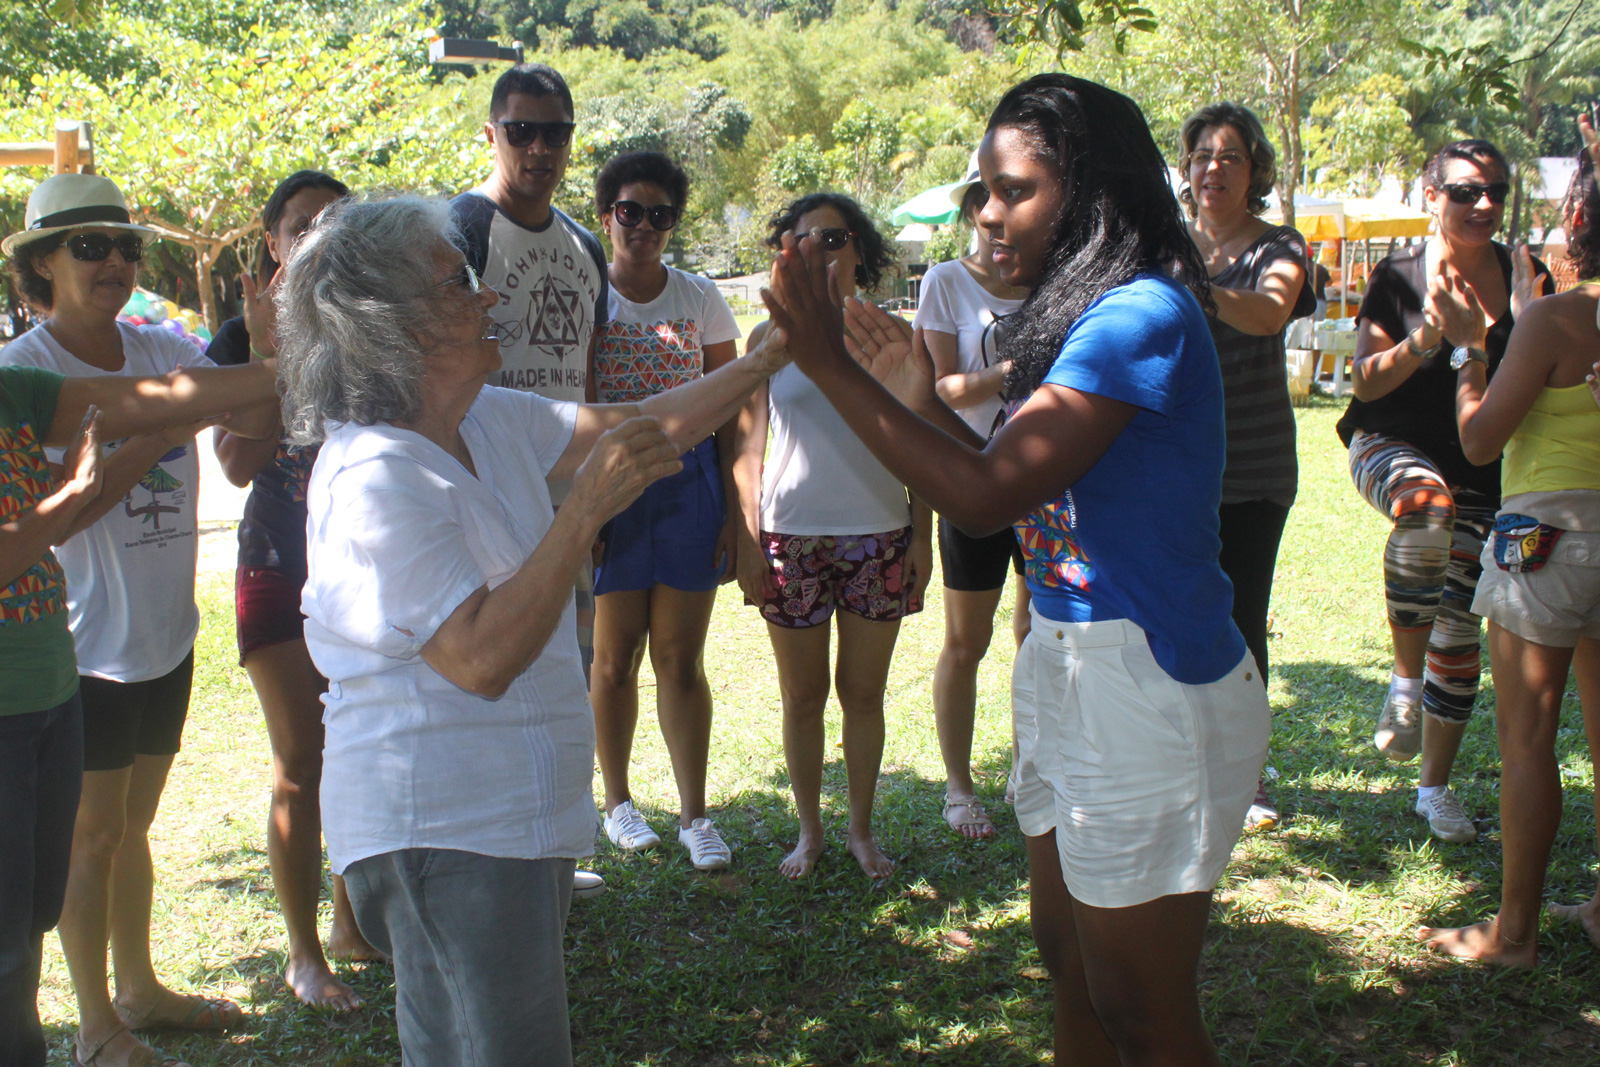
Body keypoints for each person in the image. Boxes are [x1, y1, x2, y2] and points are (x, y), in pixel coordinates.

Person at [763, 73, 1270, 1064]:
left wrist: (826, 361)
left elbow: (987, 493)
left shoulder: (1138, 317)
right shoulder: (1077, 314)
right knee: (1069, 966)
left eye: (1015, 189)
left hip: (1147, 680)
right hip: (1068, 665)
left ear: (1089, 191)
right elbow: (996, 476)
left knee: (1139, 1001)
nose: (989, 213)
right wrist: (909, 391)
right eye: (982, 190)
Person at [276, 193, 789, 1067]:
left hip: (507, 823)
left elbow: (643, 425)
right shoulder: (371, 473)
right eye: (457, 284)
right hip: (444, 829)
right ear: (388, 323)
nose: (488, 299)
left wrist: (765, 359)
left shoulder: (481, 417)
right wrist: (581, 514)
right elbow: (479, 657)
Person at [0, 172, 279, 1067]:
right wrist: (157, 436)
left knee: (131, 828)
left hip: (166, 637)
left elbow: (257, 410)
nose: (116, 260)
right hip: (83, 647)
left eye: (126, 245)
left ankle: (140, 987)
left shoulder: (162, 344)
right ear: (42, 263)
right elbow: (57, 516)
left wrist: (270, 340)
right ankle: (95, 1026)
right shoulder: (27, 373)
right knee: (92, 832)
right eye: (89, 246)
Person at [1421, 117, 1600, 966]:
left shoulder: (1557, 320)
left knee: (1528, 742)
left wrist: (1468, 353)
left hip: (1548, 543)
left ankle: (1513, 933)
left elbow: (1481, 442)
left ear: (1579, 228)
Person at [1338, 138, 1553, 843]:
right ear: (1431, 196)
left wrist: (1513, 327)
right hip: (1389, 445)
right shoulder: (1399, 274)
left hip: (1490, 468)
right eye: (1465, 190)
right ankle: (1402, 687)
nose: (1484, 203)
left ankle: (1433, 789)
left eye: (1496, 189)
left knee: (1461, 623)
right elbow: (1364, 381)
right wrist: (1431, 336)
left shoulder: (1528, 275)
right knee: (1426, 509)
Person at [206, 170, 383, 1010]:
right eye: (301, 225)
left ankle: (351, 922)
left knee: (356, 744)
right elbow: (239, 464)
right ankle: (304, 952)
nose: (318, 236)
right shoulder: (239, 335)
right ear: (271, 241)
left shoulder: (373, 328)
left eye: (335, 223)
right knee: (300, 758)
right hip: (277, 555)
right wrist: (269, 350)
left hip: (362, 558)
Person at [732, 193, 932, 880]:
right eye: (804, 238)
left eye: (836, 236)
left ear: (860, 250)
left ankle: (861, 831)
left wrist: (922, 537)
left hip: (880, 534)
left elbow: (921, 443)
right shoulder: (767, 341)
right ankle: (810, 831)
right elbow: (748, 447)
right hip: (792, 539)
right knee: (802, 696)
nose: (821, 249)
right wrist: (747, 538)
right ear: (786, 252)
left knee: (864, 694)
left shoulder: (888, 334)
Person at [450, 62, 609, 896]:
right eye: (521, 130)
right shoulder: (461, 230)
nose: (539, 148)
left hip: (563, 498)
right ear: (491, 133)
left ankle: (551, 853)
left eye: (555, 131)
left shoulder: (585, 247)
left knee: (562, 672)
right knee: (485, 671)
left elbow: (586, 373)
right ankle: (489, 851)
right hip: (480, 493)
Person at [588, 152, 741, 869]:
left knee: (681, 658)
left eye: (659, 215)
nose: (643, 226)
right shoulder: (588, 298)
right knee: (615, 657)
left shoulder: (700, 297)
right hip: (612, 487)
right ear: (605, 215)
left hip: (690, 485)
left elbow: (733, 404)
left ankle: (694, 815)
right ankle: (618, 803)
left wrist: (737, 509)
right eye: (629, 211)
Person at [1178, 102, 1314, 831]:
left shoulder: (1280, 245)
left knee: (1240, 621)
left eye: (1230, 156)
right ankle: (1185, 763)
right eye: (1201, 155)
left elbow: (1266, 314)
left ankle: (1248, 779)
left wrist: (1186, 287)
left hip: (1253, 468)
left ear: (1255, 169)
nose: (1213, 168)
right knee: (1173, 615)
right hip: (1173, 465)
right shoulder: (1166, 242)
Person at [913, 160, 1030, 840]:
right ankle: (960, 787)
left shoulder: (1047, 280)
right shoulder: (945, 282)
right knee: (968, 639)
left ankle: (1028, 763)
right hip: (972, 474)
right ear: (970, 216)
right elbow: (941, 389)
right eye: (984, 211)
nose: (997, 223)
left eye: (1009, 206)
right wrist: (1013, 369)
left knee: (1038, 634)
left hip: (1045, 480)